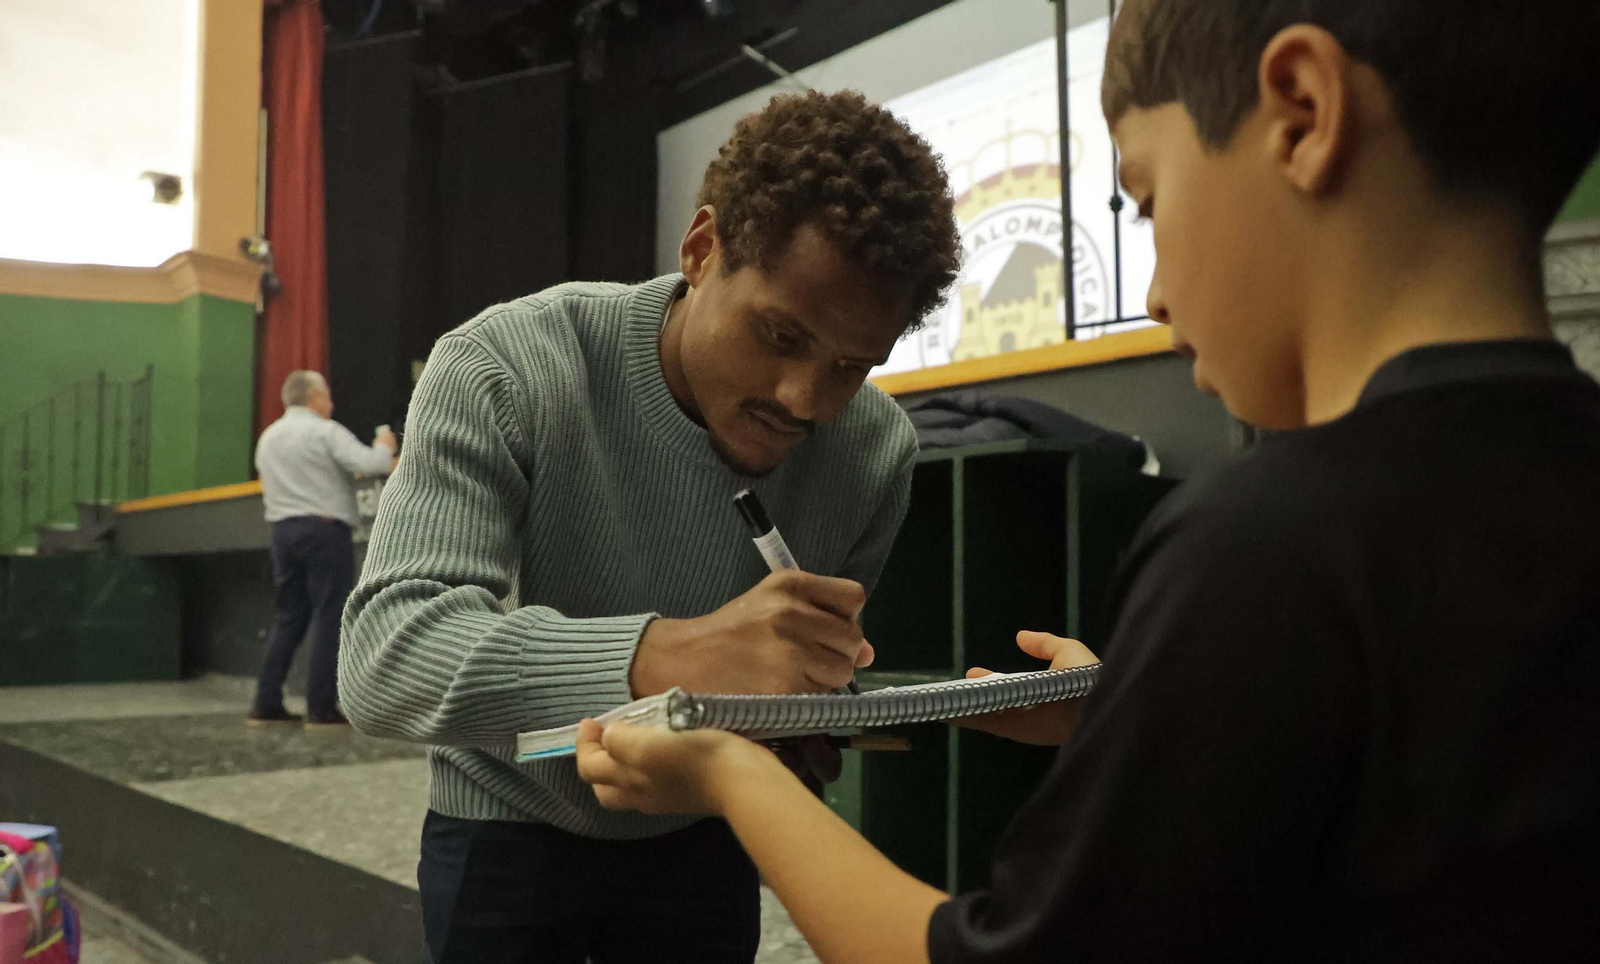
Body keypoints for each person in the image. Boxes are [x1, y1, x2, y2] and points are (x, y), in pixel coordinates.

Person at [573, 1, 1600, 961]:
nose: (1151, 292)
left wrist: (725, 766)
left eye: (1146, 200)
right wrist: (1139, 708)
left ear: (1300, 114)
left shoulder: (1261, 545)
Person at [338, 90, 961, 963]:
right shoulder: (507, 366)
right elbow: (384, 656)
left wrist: (803, 718)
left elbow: (795, 698)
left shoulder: (874, 449)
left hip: (701, 835)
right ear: (702, 250)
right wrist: (664, 657)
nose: (804, 402)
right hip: (507, 825)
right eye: (779, 335)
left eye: (853, 367)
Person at [250, 370, 396, 728]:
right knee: (331, 615)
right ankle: (321, 708)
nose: (331, 402)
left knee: (289, 618)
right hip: (324, 531)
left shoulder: (267, 438)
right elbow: (371, 464)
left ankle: (265, 703)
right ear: (313, 397)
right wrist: (385, 442)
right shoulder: (324, 431)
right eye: (327, 395)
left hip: (282, 532)